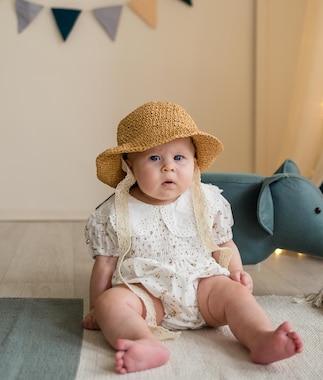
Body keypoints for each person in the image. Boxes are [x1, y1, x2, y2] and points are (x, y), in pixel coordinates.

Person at [83, 101, 303, 374]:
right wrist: (97, 307)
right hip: (147, 294)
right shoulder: (115, 212)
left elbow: (224, 243)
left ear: (194, 163)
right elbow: (105, 264)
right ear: (129, 167)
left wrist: (236, 272)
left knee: (236, 295)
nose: (168, 168)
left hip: (204, 287)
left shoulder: (207, 200)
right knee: (111, 304)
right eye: (154, 158)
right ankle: (144, 342)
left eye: (179, 158)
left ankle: (260, 337)